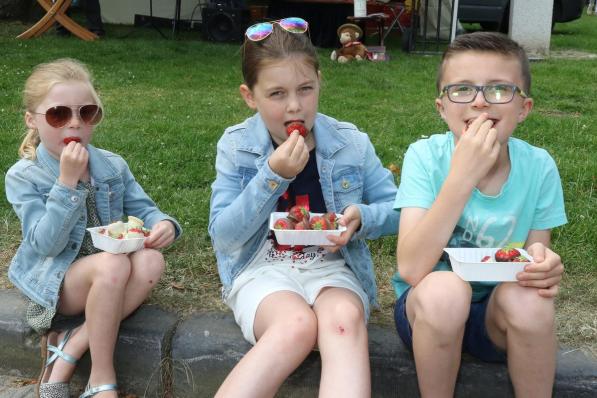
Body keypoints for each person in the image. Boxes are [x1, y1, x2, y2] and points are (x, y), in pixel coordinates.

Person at [208, 17, 399, 398]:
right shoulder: (236, 145)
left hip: (333, 267)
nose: (295, 106)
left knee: (343, 320)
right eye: (276, 94)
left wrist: (361, 218)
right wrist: (272, 176)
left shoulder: (350, 142)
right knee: (295, 325)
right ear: (250, 96)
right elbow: (225, 236)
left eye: (305, 89)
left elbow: (399, 208)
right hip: (260, 267)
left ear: (319, 83)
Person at [392, 32, 567, 397]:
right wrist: (462, 176)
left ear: (524, 108)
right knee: (445, 292)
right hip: (427, 313)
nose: (480, 103)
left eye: (499, 90)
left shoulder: (539, 167)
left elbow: (531, 260)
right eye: (462, 90)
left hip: (496, 319)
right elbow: (411, 267)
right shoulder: (424, 157)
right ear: (442, 107)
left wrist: (543, 265)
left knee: (532, 301)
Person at [5, 58, 181, 398]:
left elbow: (144, 208)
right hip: (56, 281)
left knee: (152, 261)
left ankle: (75, 341)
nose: (74, 124)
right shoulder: (24, 176)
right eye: (58, 114)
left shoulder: (112, 165)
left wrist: (165, 224)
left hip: (109, 274)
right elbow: (45, 245)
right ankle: (101, 377)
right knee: (114, 263)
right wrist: (66, 184)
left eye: (86, 113)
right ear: (32, 120)